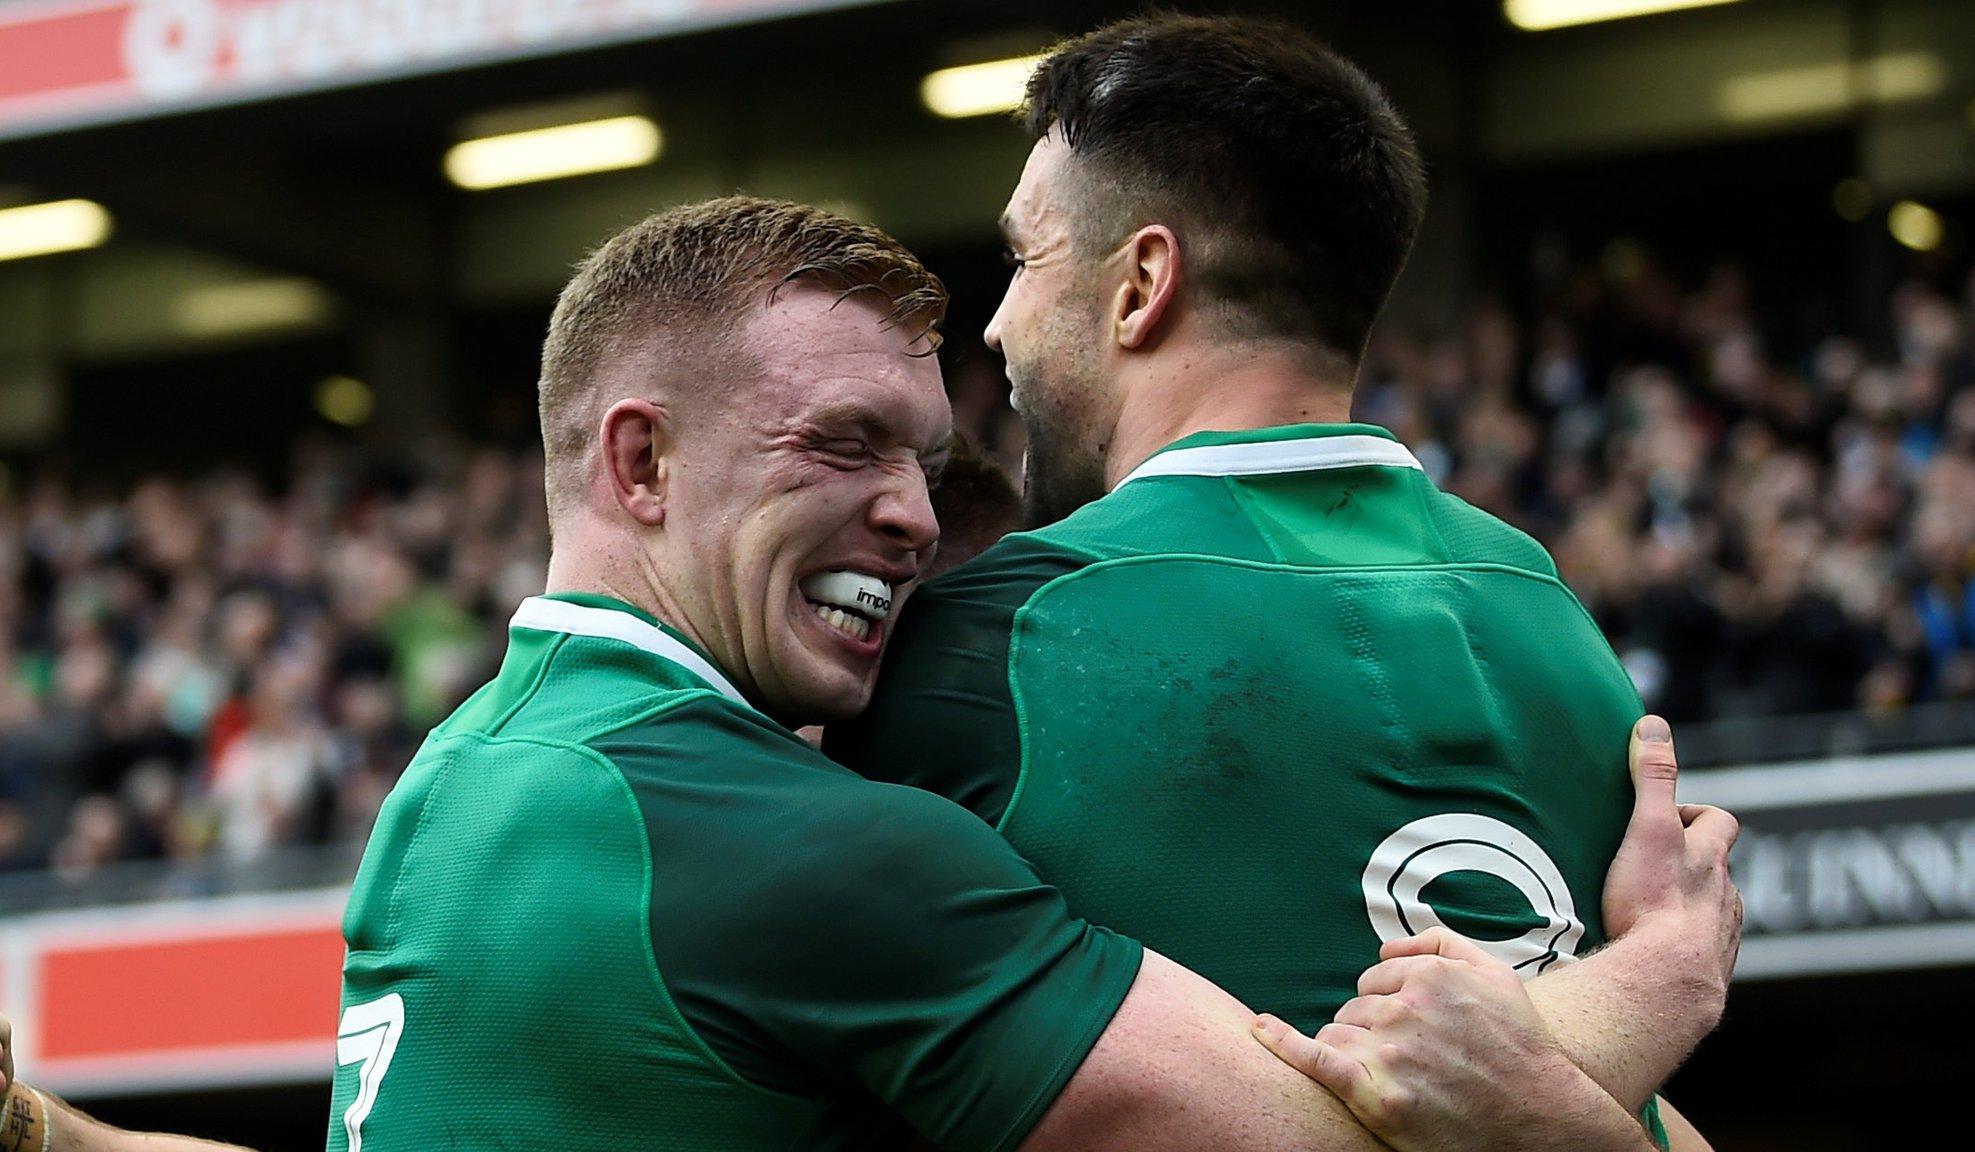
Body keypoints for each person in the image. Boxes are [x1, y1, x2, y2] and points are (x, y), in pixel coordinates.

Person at [0, 198, 1726, 1152]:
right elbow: (1340, 1135)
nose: (910, 513)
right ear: (638, 463)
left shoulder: (460, 781)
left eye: (922, 455)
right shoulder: (786, 846)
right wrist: (1643, 984)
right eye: (841, 445)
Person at [824, 13, 1727, 1141]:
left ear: (1141, 282)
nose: (999, 322)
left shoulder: (985, 641)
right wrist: (1658, 980)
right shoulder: (1558, 621)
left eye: (1022, 258)